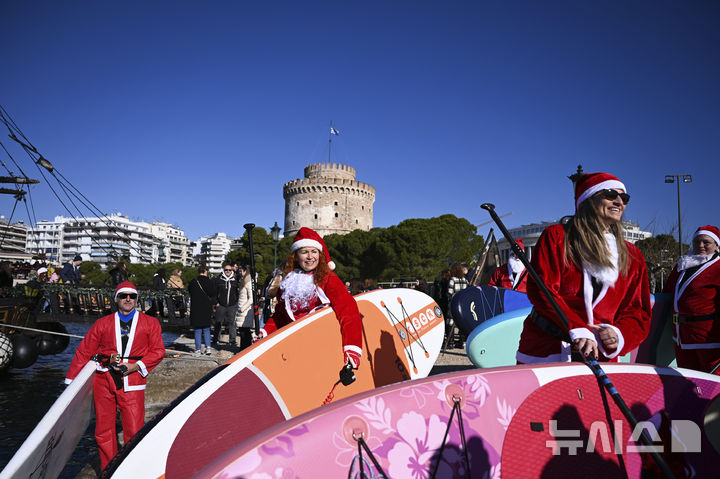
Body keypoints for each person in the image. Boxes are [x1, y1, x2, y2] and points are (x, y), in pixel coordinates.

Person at [517, 172, 652, 364]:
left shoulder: (632, 255)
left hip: (601, 357)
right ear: (589, 199)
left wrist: (617, 336)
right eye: (611, 195)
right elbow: (543, 289)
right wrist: (576, 327)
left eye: (624, 198)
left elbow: (638, 311)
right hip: (547, 349)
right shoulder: (558, 237)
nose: (619, 202)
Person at [64, 281, 165, 469]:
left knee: (134, 430)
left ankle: (132, 470)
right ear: (116, 298)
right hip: (103, 379)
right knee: (103, 430)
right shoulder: (102, 323)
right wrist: (70, 384)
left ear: (136, 299)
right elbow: (84, 351)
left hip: (133, 380)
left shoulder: (150, 323)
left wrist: (136, 366)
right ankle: (108, 470)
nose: (128, 299)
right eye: (124, 295)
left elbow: (158, 351)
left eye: (132, 296)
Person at [259, 227, 363, 371]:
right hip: (294, 349)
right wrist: (264, 332)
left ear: (319, 255)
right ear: (296, 256)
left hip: (323, 346)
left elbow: (348, 311)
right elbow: (280, 316)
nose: (310, 257)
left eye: (314, 252)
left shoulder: (328, 278)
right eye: (304, 252)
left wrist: (351, 348)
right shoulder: (288, 281)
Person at [663, 225, 720, 374]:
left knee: (714, 387)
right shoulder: (683, 265)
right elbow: (667, 293)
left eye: (706, 242)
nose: (700, 245)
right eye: (697, 241)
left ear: (716, 245)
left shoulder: (718, 267)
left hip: (709, 341)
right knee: (687, 384)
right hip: (681, 338)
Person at [188, 264, 216, 355]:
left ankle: (198, 349)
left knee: (197, 329)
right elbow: (212, 293)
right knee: (207, 329)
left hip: (196, 308)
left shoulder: (193, 281)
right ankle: (208, 348)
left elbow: (190, 291)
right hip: (206, 307)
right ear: (205, 271)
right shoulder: (210, 282)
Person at [214, 263, 239, 346]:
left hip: (232, 305)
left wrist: (236, 302)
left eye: (229, 270)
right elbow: (214, 293)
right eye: (226, 270)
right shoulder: (219, 280)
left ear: (232, 271)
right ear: (223, 271)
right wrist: (216, 302)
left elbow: (238, 293)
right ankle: (216, 339)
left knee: (232, 323)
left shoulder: (235, 281)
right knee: (218, 322)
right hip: (221, 305)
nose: (228, 271)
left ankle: (232, 340)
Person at [236, 266, 255, 350]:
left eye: (241, 271)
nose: (240, 272)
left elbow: (251, 298)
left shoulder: (249, 282)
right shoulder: (243, 281)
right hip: (241, 310)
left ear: (245, 271)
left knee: (245, 332)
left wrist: (242, 308)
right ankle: (243, 349)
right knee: (242, 331)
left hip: (245, 311)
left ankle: (245, 349)